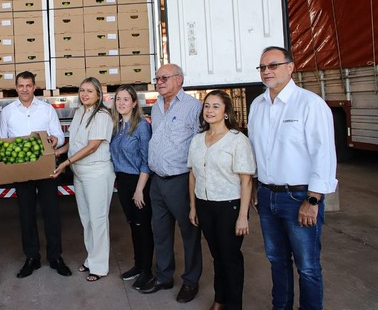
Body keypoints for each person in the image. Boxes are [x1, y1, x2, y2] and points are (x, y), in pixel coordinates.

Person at [248, 46, 338, 310]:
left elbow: (324, 154)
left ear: (290, 67)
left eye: (273, 65)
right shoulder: (257, 105)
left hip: (299, 197)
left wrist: (313, 199)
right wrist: (255, 188)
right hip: (267, 195)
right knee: (277, 260)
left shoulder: (310, 104)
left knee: (307, 266)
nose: (266, 71)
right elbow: (254, 150)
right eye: (262, 67)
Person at [0, 71, 72, 278]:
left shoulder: (46, 109)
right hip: (21, 170)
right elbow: (2, 140)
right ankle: (32, 258)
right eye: (21, 86)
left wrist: (55, 140)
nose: (25, 89)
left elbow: (59, 135)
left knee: (52, 213)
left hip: (45, 168)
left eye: (28, 85)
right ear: (16, 87)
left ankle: (55, 257)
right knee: (26, 214)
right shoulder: (8, 112)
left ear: (34, 87)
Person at [188, 90, 256, 310]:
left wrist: (243, 216)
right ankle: (220, 300)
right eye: (207, 106)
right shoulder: (197, 140)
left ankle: (234, 305)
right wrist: (193, 207)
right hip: (204, 205)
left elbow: (246, 180)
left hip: (230, 206)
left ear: (226, 112)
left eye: (216, 106)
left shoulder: (237, 140)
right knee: (217, 256)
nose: (210, 110)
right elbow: (193, 175)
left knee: (230, 258)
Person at [144, 63, 202, 303]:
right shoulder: (156, 106)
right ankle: (164, 277)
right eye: (157, 78)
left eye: (164, 78)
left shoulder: (194, 107)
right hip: (157, 180)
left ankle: (190, 281)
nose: (159, 82)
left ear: (179, 79)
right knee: (160, 232)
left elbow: (201, 142)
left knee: (189, 233)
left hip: (181, 180)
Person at [53, 77, 114, 282]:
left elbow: (92, 146)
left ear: (98, 94)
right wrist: (57, 152)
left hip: (96, 173)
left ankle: (100, 266)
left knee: (98, 220)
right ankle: (91, 258)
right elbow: (74, 143)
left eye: (89, 91)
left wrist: (65, 163)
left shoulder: (102, 115)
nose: (85, 94)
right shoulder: (80, 112)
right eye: (82, 90)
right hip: (80, 173)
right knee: (86, 219)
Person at [108, 84, 154, 289]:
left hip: (139, 181)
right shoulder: (117, 126)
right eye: (118, 99)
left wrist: (139, 190)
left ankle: (147, 271)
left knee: (143, 227)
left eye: (126, 99)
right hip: (123, 181)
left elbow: (146, 160)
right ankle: (138, 265)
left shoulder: (142, 126)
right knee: (133, 225)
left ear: (134, 103)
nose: (121, 103)